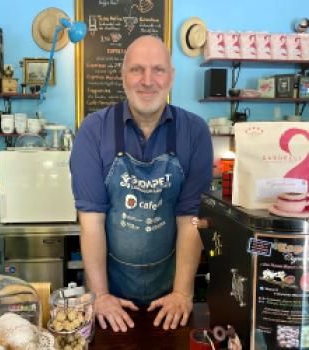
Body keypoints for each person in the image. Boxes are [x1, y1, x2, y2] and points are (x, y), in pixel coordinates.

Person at [70, 35, 213, 332]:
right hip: (110, 296)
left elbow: (190, 220)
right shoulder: (93, 131)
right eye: (137, 70)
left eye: (158, 70)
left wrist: (183, 293)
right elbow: (91, 222)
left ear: (171, 77)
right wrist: (100, 295)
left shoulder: (195, 131)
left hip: (171, 295)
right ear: (122, 77)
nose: (148, 81)